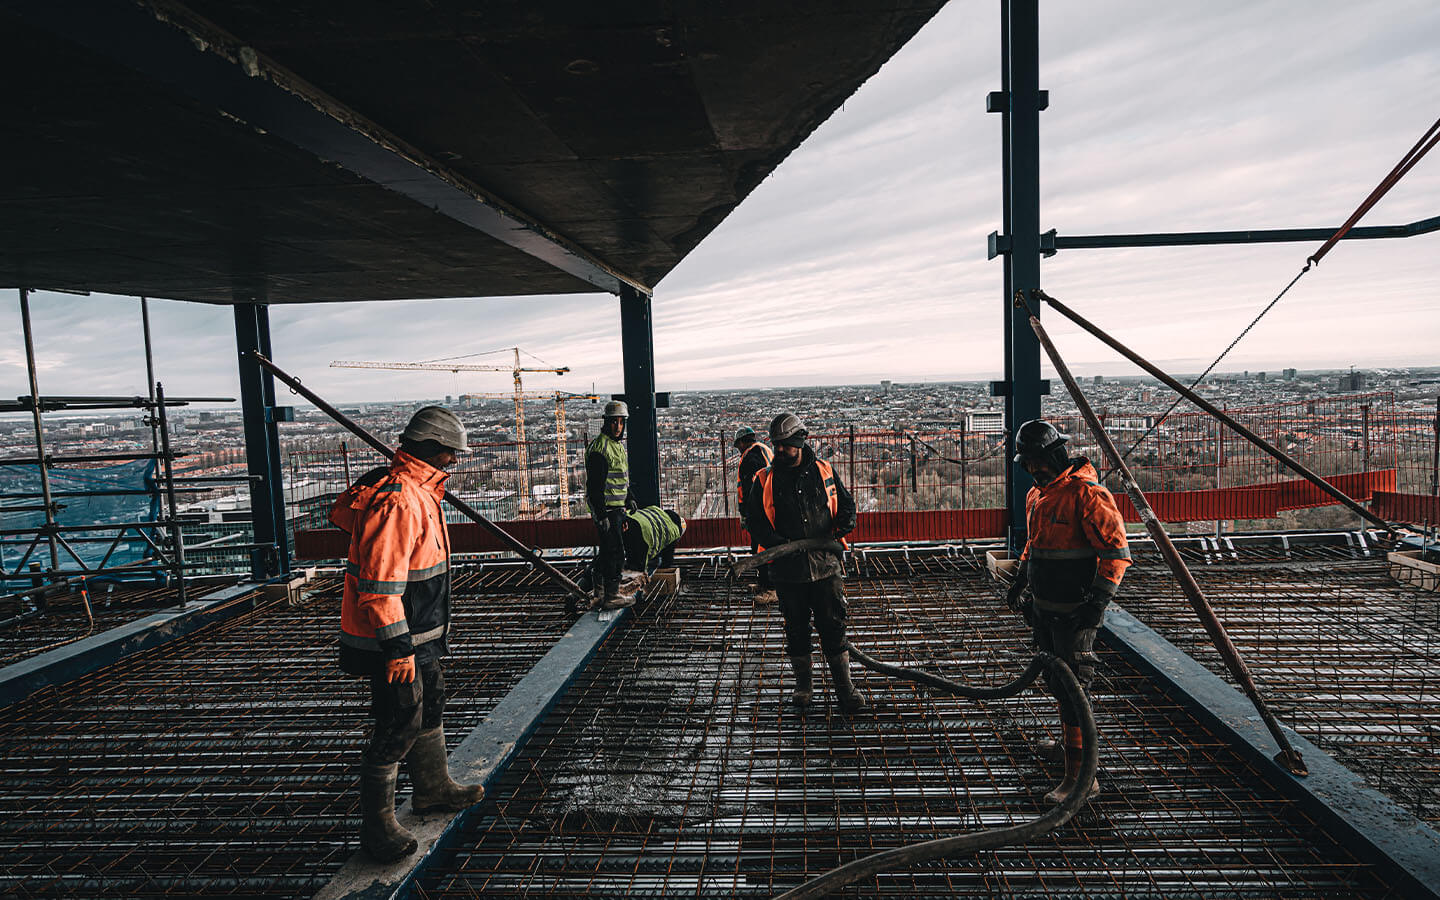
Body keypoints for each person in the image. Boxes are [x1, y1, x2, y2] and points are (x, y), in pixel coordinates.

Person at [329, 406, 485, 862]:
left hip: (419, 635)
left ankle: (433, 789)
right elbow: (380, 587)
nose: (454, 461)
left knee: (430, 700)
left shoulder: (421, 490)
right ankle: (377, 829)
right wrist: (397, 649)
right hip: (394, 639)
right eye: (450, 453)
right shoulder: (399, 500)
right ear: (432, 449)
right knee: (399, 719)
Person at [1005, 419, 1130, 804]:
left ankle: (1081, 778)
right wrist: (1022, 579)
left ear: (1055, 454)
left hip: (1074, 611)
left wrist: (1096, 604)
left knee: (1075, 687)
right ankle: (1070, 750)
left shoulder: (1087, 495)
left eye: (1037, 461)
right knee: (1059, 684)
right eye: (1027, 463)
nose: (1031, 469)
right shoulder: (1039, 495)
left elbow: (1116, 555)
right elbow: (1036, 544)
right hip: (1045, 609)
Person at [744, 412, 866, 715]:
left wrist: (845, 522)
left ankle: (844, 688)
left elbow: (846, 505)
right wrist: (778, 546)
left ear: (799, 442)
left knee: (834, 625)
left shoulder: (823, 471)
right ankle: (804, 687)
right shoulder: (765, 480)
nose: (780, 450)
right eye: (777, 445)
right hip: (788, 572)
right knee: (796, 629)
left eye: (785, 445)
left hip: (825, 566)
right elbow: (755, 522)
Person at [587, 400, 637, 609]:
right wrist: (602, 516)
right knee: (615, 552)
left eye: (620, 422)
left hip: (615, 509)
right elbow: (595, 487)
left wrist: (629, 498)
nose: (618, 427)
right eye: (614, 422)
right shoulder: (601, 449)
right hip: (607, 510)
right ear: (606, 423)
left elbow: (620, 479)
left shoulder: (616, 447)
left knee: (609, 551)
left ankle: (598, 590)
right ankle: (611, 595)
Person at [734, 425, 776, 603]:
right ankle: (764, 583)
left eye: (738, 446)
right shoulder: (765, 450)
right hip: (770, 507)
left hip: (761, 511)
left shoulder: (751, 458)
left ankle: (772, 588)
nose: (738, 450)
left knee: (763, 548)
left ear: (743, 442)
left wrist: (747, 514)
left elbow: (751, 489)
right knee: (761, 547)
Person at [621, 505, 686, 573]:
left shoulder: (657, 510)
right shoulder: (674, 531)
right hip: (642, 533)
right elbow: (667, 561)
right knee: (635, 572)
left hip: (625, 519)